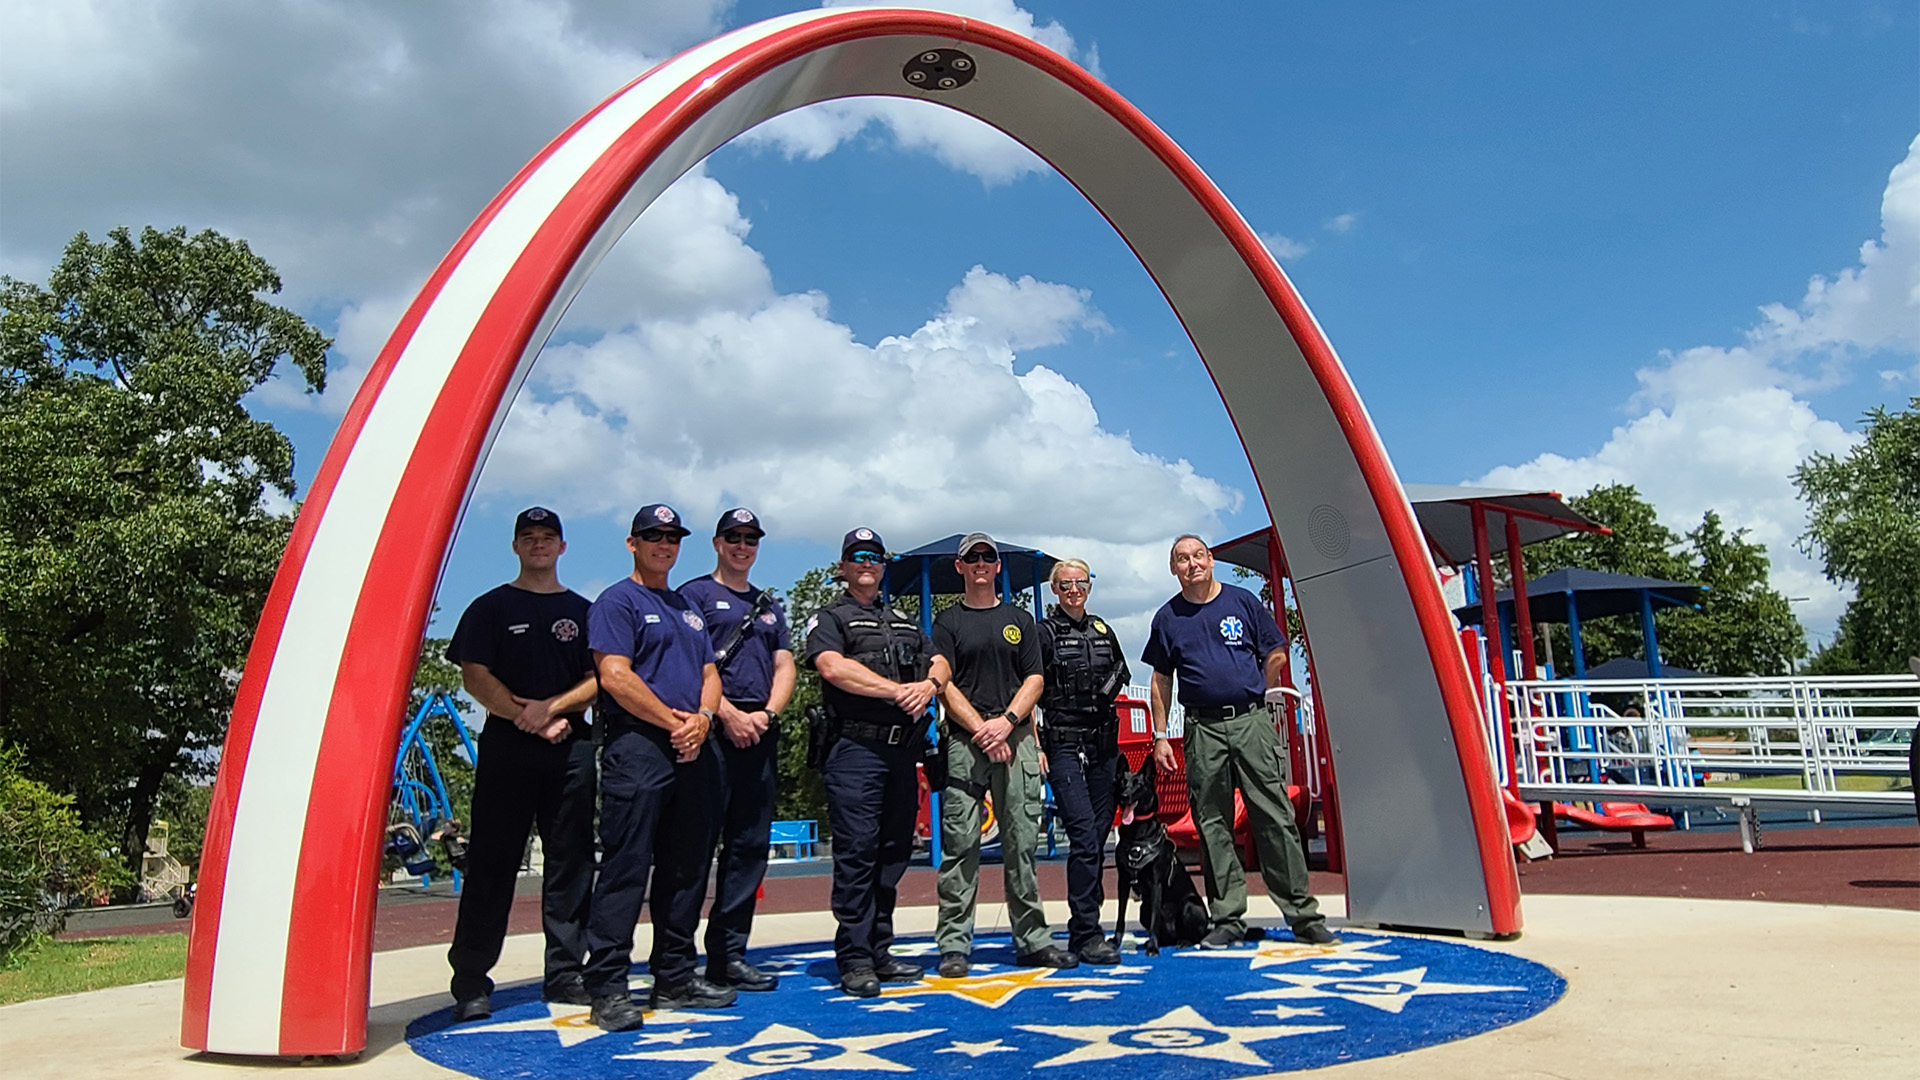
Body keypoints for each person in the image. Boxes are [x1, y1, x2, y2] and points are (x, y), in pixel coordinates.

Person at [1141, 534, 1337, 948]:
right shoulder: (1167, 618)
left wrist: (1253, 692)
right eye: (1182, 559)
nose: (1191, 564)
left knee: (1274, 814)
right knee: (1212, 822)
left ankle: (1303, 915)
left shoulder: (1243, 602)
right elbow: (1160, 680)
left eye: (1198, 556)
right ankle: (1227, 917)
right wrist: (1160, 735)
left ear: (1211, 561)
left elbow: (1277, 653)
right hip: (1201, 729)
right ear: (1173, 569)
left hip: (1250, 723)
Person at [443, 507, 600, 1021]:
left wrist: (552, 710)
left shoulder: (585, 611)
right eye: (528, 537)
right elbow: (473, 674)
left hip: (571, 746)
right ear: (514, 547)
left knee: (571, 864)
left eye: (547, 537)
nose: (538, 545)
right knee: (492, 863)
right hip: (508, 746)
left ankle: (565, 973)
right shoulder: (489, 608)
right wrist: (522, 715)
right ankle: (470, 981)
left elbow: (604, 676)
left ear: (562, 547)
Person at [581, 504, 726, 1033]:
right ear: (632, 543)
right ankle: (610, 987)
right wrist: (672, 722)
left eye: (672, 537)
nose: (664, 544)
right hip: (640, 746)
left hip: (693, 746)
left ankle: (675, 976)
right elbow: (614, 676)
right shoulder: (617, 602)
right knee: (626, 866)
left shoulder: (687, 606)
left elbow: (710, 671)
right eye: (653, 536)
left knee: (687, 868)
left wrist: (704, 720)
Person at [805, 527, 952, 998]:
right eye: (858, 556)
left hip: (901, 751)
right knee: (857, 854)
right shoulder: (830, 617)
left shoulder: (904, 619)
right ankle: (853, 957)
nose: (867, 563)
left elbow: (940, 663)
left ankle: (880, 949)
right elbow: (831, 666)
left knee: (892, 852)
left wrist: (928, 686)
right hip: (854, 750)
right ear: (844, 568)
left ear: (883, 566)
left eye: (875, 556)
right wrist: (896, 691)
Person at [932, 533, 1075, 977]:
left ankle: (1032, 939)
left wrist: (1007, 724)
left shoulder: (1020, 619)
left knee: (1021, 842)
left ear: (997, 567)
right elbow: (943, 681)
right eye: (971, 558)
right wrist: (981, 728)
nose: (979, 563)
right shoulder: (947, 622)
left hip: (1016, 739)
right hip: (965, 743)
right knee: (960, 846)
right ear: (959, 568)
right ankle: (954, 944)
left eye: (987, 557)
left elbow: (1034, 679)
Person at [678, 508, 795, 992]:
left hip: (759, 730)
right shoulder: (694, 595)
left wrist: (766, 715)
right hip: (711, 729)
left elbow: (784, 665)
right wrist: (726, 714)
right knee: (694, 848)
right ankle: (678, 961)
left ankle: (729, 955)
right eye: (734, 537)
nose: (742, 546)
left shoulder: (769, 604)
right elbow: (689, 664)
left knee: (749, 848)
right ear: (717, 542)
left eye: (751, 538)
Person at [1036, 557, 1131, 966]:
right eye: (1066, 583)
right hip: (1063, 745)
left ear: (1089, 587)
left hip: (1104, 746)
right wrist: (1037, 745)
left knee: (1098, 835)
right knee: (1083, 837)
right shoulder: (1042, 633)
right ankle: (1086, 932)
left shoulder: (1103, 630)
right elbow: (1030, 686)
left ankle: (1090, 921)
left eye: (1081, 582)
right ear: (1055, 590)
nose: (1074, 589)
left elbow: (1122, 669)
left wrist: (1104, 689)